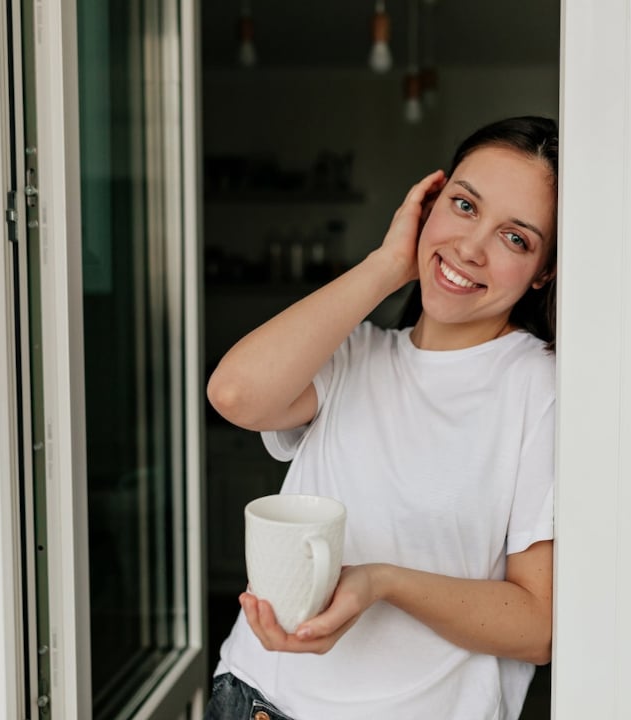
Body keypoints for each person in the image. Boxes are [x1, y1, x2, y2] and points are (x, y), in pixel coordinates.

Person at [204, 115, 559, 720]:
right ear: (427, 203)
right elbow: (235, 394)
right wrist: (388, 264)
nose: (471, 248)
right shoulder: (353, 354)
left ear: (543, 272)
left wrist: (382, 583)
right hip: (255, 700)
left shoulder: (537, 385)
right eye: (465, 205)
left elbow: (538, 626)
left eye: (516, 238)